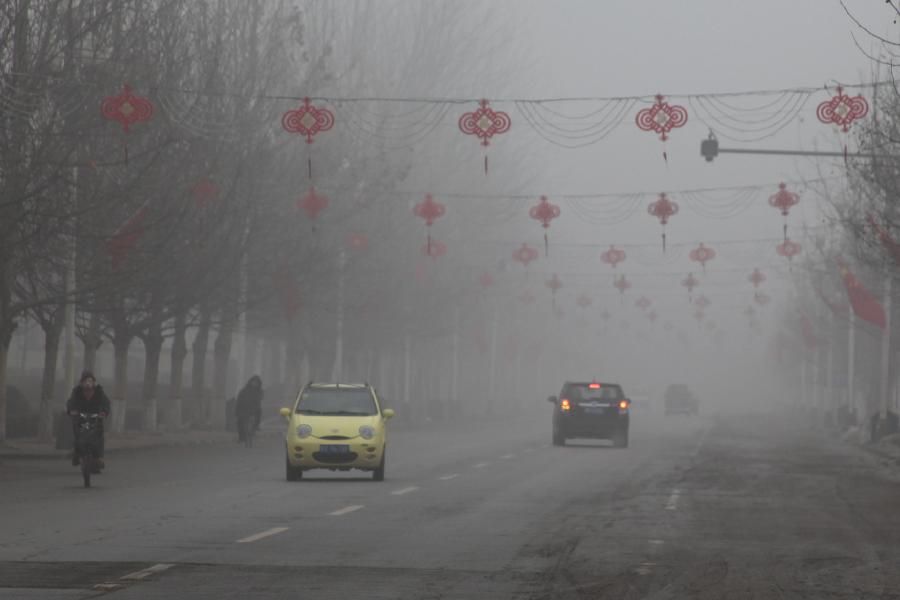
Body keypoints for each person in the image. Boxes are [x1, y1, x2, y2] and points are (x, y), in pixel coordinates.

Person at [66, 371, 111, 468]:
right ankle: (77, 453)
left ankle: (99, 457)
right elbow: (71, 402)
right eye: (86, 381)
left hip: (95, 417)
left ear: (94, 382)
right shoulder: (77, 391)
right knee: (78, 433)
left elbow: (106, 403)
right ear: (82, 382)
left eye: (90, 381)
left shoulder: (99, 391)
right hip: (81, 417)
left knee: (99, 436)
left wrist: (104, 412)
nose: (88, 383)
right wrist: (72, 411)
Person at [235, 375, 264, 443]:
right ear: (250, 382)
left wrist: (257, 400)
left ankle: (256, 426)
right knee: (239, 422)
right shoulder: (244, 390)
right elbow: (239, 399)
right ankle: (241, 437)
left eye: (256, 382)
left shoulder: (259, 391)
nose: (255, 383)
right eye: (254, 381)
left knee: (259, 412)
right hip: (244, 408)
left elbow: (260, 397)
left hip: (254, 408)